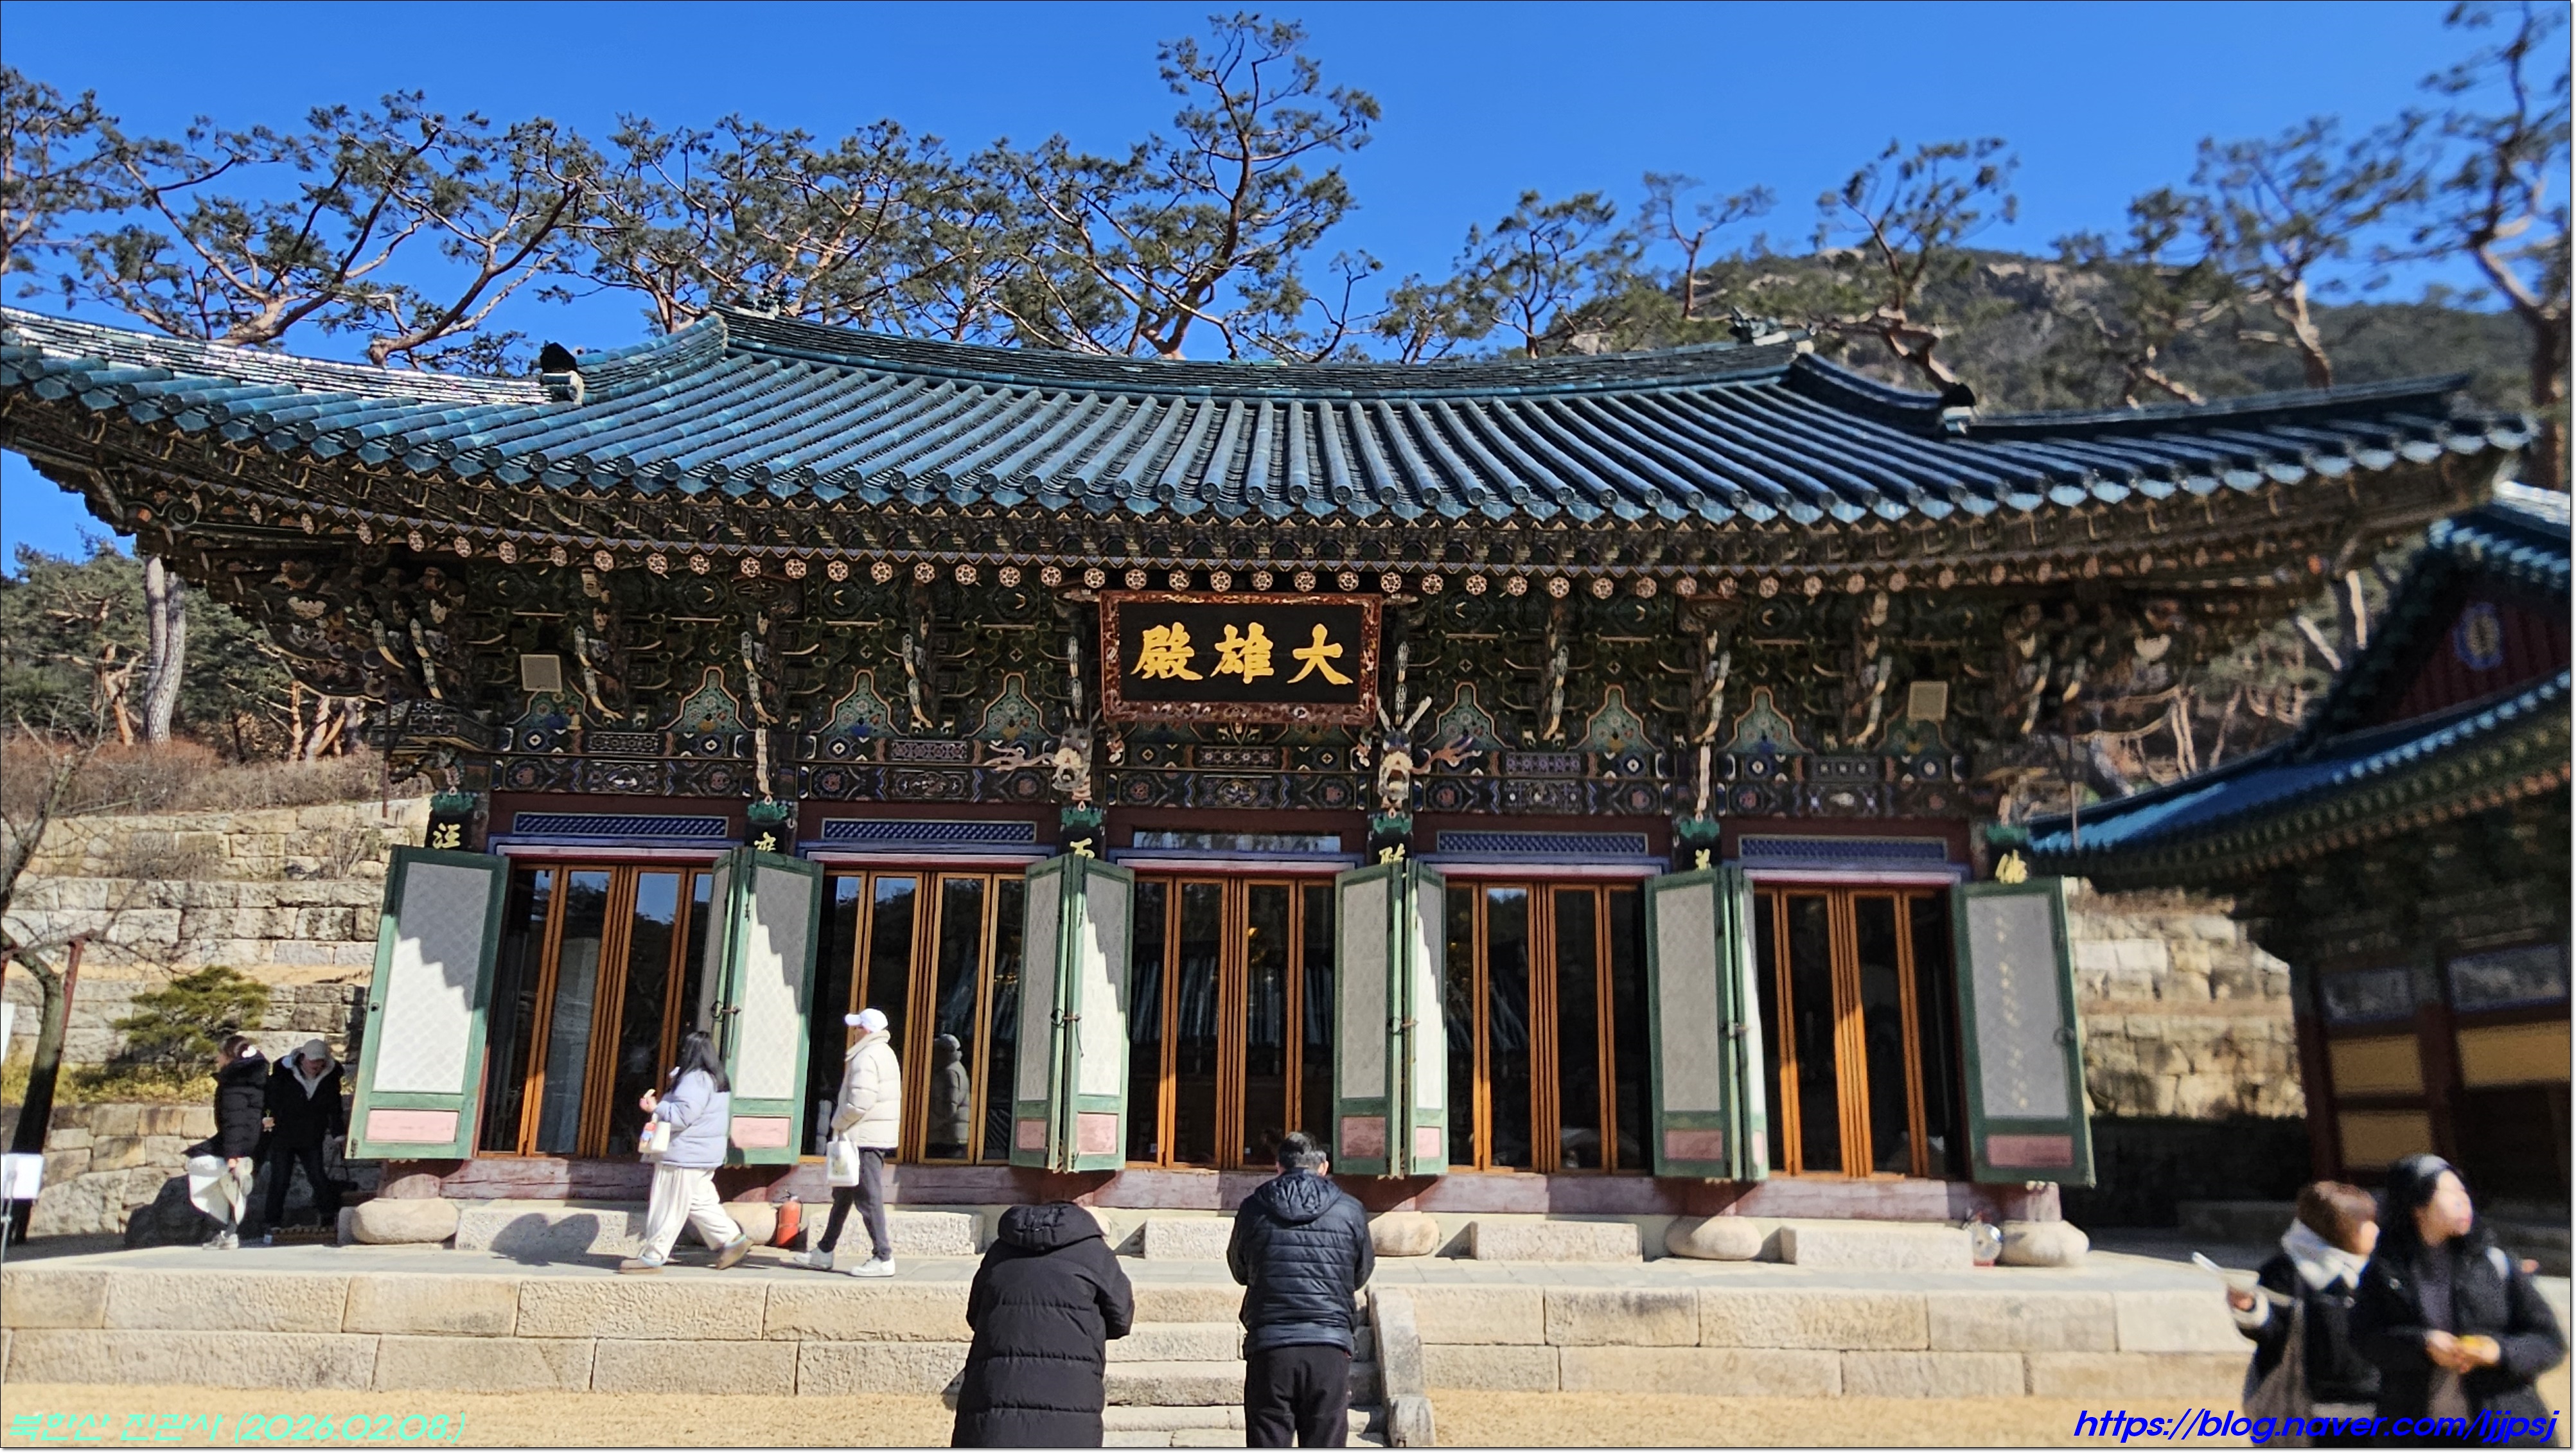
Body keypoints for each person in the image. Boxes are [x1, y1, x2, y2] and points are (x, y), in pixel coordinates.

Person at [2351, 1154, 2564, 1443]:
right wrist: (2422, 1344)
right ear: (2418, 1206)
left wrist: (2499, 1351)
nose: (2463, 1201)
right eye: (2450, 1192)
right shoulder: (2385, 1271)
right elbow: (2364, 1339)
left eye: (2464, 1191)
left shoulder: (2495, 1263)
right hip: (2417, 1431)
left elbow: (2549, 1341)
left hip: (2505, 1428)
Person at [1228, 1130, 1374, 1449]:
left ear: (1279, 1166)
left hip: (1271, 1344)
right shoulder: (1350, 1209)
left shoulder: (1253, 1207)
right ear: (1324, 1167)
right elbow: (1360, 1273)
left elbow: (1239, 1270)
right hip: (1328, 1343)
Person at [950, 1202, 1134, 1447]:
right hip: (1069, 1389)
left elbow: (975, 1314)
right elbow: (1121, 1319)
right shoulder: (1095, 1253)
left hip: (995, 1389)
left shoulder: (999, 1251)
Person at [2225, 1181, 2381, 1440]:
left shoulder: (2379, 1271)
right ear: (2337, 1227)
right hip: (2305, 1407)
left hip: (2371, 1403)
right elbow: (2270, 1331)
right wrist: (2248, 1307)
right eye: (2366, 1223)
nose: (2376, 1230)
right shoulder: (2287, 1271)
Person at [619, 1030, 752, 1274]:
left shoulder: (695, 1079)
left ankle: (652, 1256)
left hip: (684, 1155)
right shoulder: (715, 1079)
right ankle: (733, 1240)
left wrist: (656, 1107)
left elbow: (682, 1116)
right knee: (699, 1202)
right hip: (702, 1154)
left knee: (668, 1206)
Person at [795, 1007, 899, 1276]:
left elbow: (860, 1101)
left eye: (857, 1027)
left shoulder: (867, 1056)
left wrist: (838, 1122)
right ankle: (824, 1250)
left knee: (868, 1197)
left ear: (866, 1030)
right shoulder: (883, 1053)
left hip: (863, 1137)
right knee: (844, 1195)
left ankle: (883, 1255)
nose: (853, 1033)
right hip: (870, 1135)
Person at [260, 1039, 346, 1243]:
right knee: (280, 1179)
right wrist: (268, 1122)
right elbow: (270, 1101)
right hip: (284, 1134)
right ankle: (272, 1222)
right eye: (313, 1061)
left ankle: (327, 1217)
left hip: (311, 1135)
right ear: (303, 1058)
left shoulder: (330, 1077)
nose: (317, 1065)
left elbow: (334, 1107)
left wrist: (338, 1134)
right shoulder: (284, 1074)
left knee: (317, 1176)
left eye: (320, 1061)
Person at [185, 1035, 267, 1249]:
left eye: (220, 1055)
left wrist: (232, 1156)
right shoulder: (257, 1081)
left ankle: (228, 1231)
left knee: (202, 1165)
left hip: (238, 1143)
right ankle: (229, 1231)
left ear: (230, 1057)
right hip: (255, 1140)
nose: (218, 1059)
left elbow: (235, 1122)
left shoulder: (234, 1085)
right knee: (232, 1189)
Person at [928, 1032, 972, 1158]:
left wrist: (927, 1126)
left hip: (946, 1137)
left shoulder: (949, 1072)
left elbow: (947, 1108)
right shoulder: (955, 1068)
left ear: (943, 1052)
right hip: (952, 1135)